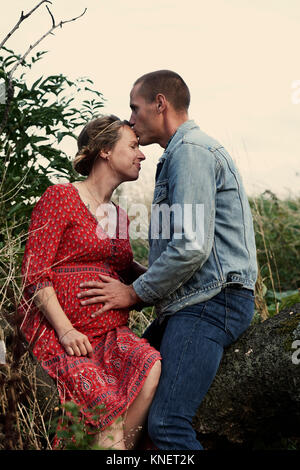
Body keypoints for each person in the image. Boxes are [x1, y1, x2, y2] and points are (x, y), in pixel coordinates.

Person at [77, 70, 258, 450]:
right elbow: (184, 251)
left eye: (135, 108)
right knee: (133, 411)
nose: (130, 119)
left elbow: (191, 247)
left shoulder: (191, 153)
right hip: (188, 304)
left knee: (166, 426)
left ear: (160, 104)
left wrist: (133, 294)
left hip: (211, 303)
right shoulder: (175, 157)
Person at [17, 115, 162, 450]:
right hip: (62, 334)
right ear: (106, 151)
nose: (141, 154)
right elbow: (34, 272)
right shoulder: (61, 198)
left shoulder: (120, 217)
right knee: (106, 414)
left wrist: (172, 280)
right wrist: (65, 329)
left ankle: (115, 448)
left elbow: (129, 271)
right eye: (133, 146)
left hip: (111, 333)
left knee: (151, 367)